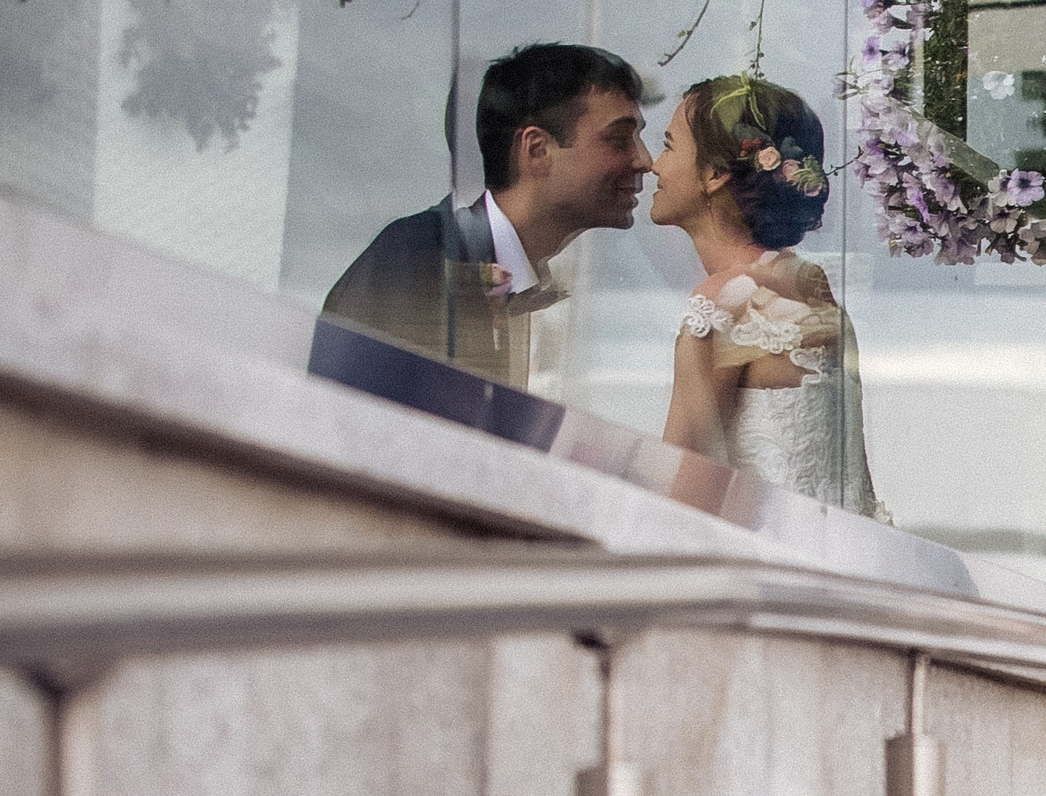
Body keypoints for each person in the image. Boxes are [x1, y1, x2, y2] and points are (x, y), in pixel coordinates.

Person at [320, 43, 651, 388]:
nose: (644, 160)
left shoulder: (504, 275)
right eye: (619, 138)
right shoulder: (415, 262)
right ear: (537, 151)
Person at [656, 75, 884, 518]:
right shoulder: (810, 285)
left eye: (668, 146)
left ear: (716, 174)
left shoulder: (726, 304)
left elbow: (682, 502)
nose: (654, 166)